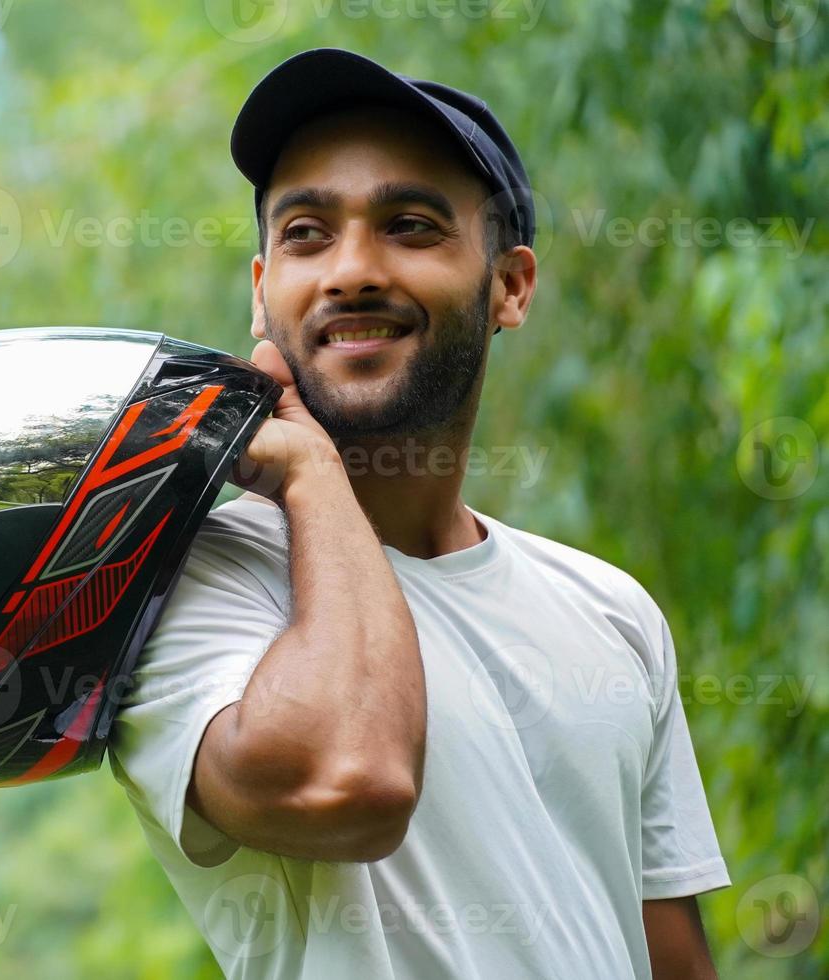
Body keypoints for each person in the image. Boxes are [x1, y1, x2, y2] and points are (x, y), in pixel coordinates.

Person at [107, 48, 730, 979]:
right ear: (260, 289)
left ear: (510, 286)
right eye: (307, 233)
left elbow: (667, 955)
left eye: (408, 225)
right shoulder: (181, 579)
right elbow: (349, 782)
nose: (351, 270)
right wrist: (310, 477)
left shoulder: (611, 610)